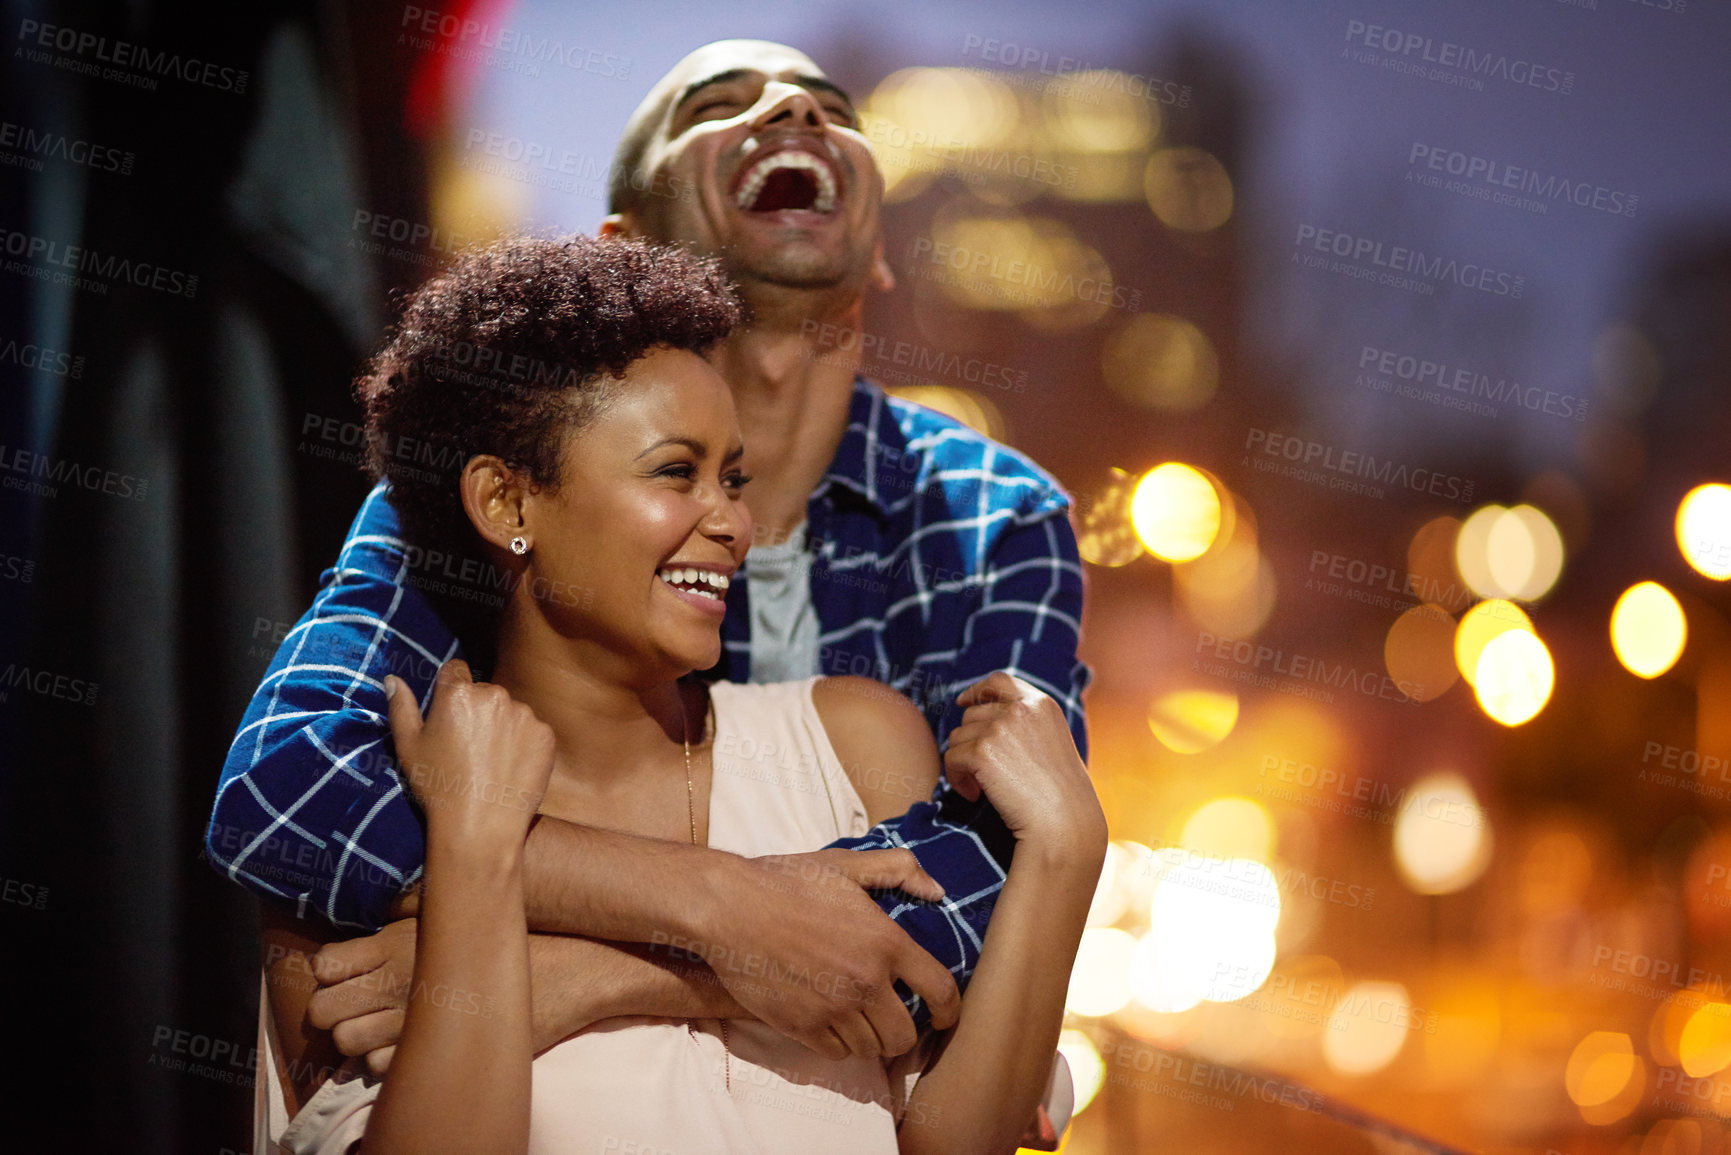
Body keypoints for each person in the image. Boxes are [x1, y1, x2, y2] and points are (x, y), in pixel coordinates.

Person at [208, 38, 1090, 1069]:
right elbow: (287, 794)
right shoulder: (489, 477)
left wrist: (557, 976)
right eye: (719, 102)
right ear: (626, 244)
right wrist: (718, 906)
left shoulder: (994, 518)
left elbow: (982, 897)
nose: (795, 116)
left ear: (880, 249)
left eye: (827, 106)